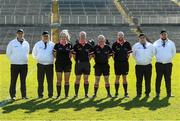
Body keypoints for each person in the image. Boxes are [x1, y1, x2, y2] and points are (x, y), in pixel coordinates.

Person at [6, 29, 30, 100]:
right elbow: (8, 53)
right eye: (19, 33)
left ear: (23, 34)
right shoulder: (12, 43)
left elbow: (27, 52)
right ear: (16, 34)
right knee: (13, 80)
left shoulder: (26, 43)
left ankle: (24, 95)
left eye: (21, 33)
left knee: (23, 80)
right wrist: (13, 60)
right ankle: (13, 95)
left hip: (24, 65)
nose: (20, 34)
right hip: (15, 65)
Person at [153, 30, 176, 98]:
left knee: (168, 79)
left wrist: (168, 59)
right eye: (162, 34)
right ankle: (157, 93)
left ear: (167, 35)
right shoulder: (156, 43)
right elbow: (153, 52)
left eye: (165, 34)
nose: (164, 35)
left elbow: (174, 52)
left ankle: (169, 93)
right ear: (160, 35)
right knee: (158, 78)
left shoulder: (171, 43)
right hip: (159, 64)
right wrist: (159, 58)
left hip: (168, 64)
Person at [32, 31, 55, 98]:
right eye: (44, 36)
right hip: (40, 65)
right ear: (42, 37)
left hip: (49, 65)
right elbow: (34, 54)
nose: (45, 37)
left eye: (47, 36)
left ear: (49, 36)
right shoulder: (37, 44)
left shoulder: (52, 44)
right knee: (40, 81)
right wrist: (39, 59)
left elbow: (55, 54)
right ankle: (40, 95)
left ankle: (50, 95)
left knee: (50, 81)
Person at [132, 33, 155, 98]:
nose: (142, 39)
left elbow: (153, 53)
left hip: (148, 66)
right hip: (139, 66)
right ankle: (138, 93)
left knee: (148, 80)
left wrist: (148, 59)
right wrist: (138, 60)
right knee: (139, 81)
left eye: (143, 38)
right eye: (141, 38)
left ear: (145, 38)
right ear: (139, 39)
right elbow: (133, 55)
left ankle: (147, 93)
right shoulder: (135, 46)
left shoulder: (150, 45)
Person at [72, 31, 93, 98]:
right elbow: (74, 56)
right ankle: (76, 94)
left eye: (83, 36)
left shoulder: (89, 46)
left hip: (86, 64)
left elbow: (90, 56)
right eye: (81, 36)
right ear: (79, 36)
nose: (82, 37)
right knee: (77, 79)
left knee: (86, 79)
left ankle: (86, 94)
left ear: (85, 37)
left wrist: (86, 61)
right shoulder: (76, 46)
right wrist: (77, 61)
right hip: (78, 64)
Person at [112, 31, 132, 98]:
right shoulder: (114, 44)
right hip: (117, 64)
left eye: (121, 35)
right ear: (117, 36)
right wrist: (116, 61)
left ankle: (125, 93)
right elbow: (113, 55)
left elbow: (128, 54)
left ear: (123, 36)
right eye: (119, 35)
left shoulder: (127, 43)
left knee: (124, 77)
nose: (120, 36)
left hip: (124, 63)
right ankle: (116, 93)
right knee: (117, 77)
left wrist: (125, 60)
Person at [53, 30, 73, 99]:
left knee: (66, 81)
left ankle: (66, 95)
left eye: (65, 36)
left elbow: (71, 55)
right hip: (59, 64)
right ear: (60, 37)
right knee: (59, 80)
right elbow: (54, 54)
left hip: (67, 64)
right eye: (62, 36)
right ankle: (58, 95)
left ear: (67, 37)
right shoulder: (57, 45)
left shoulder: (70, 45)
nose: (63, 38)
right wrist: (59, 59)